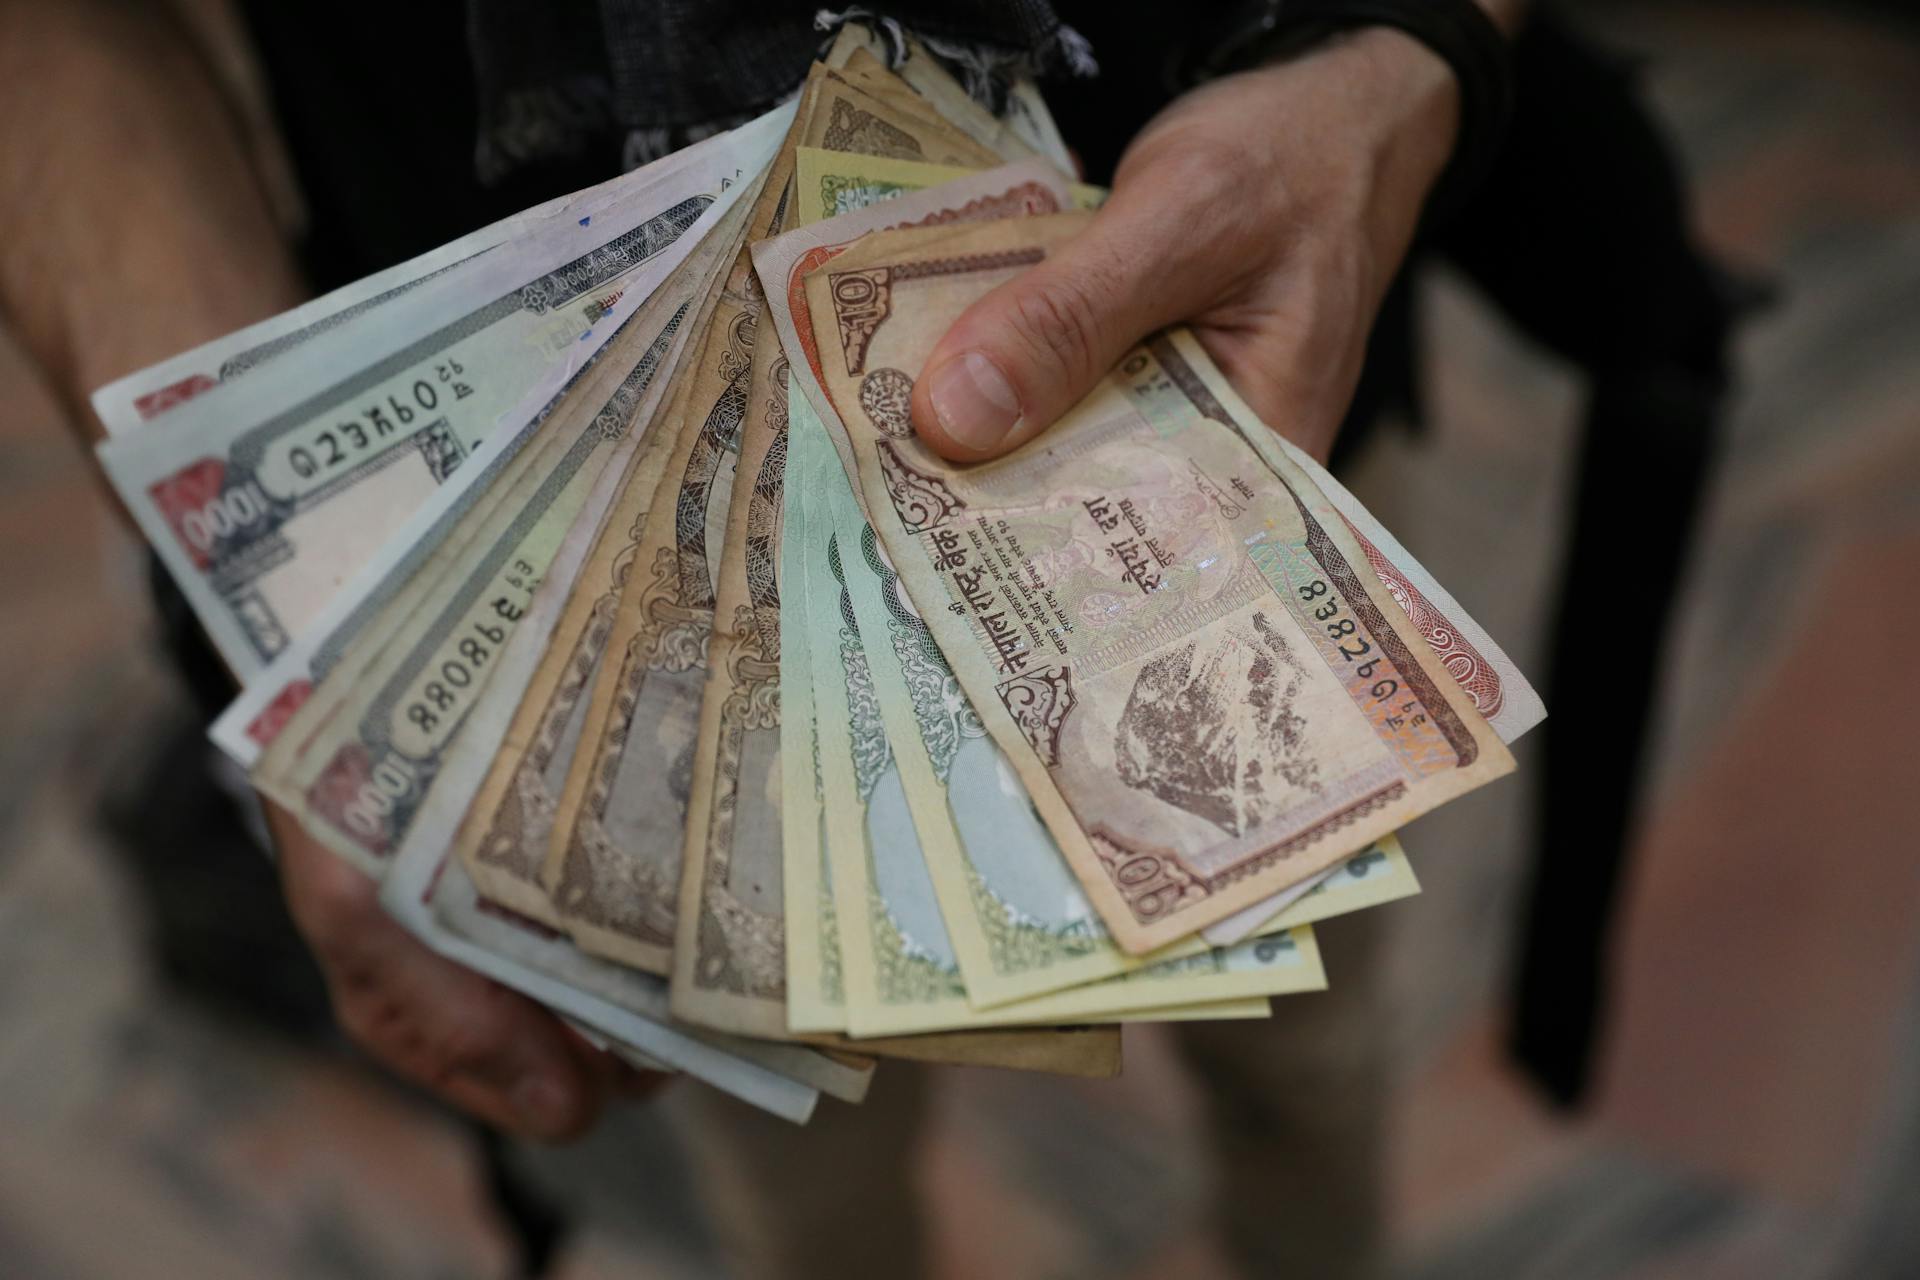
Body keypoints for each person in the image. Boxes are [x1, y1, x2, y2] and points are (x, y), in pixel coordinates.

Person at [2, 1, 1532, 1274]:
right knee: (788, 1153)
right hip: (561, 534)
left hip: (1221, 346)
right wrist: (300, 625)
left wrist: (1404, 59)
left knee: (1300, 1030)